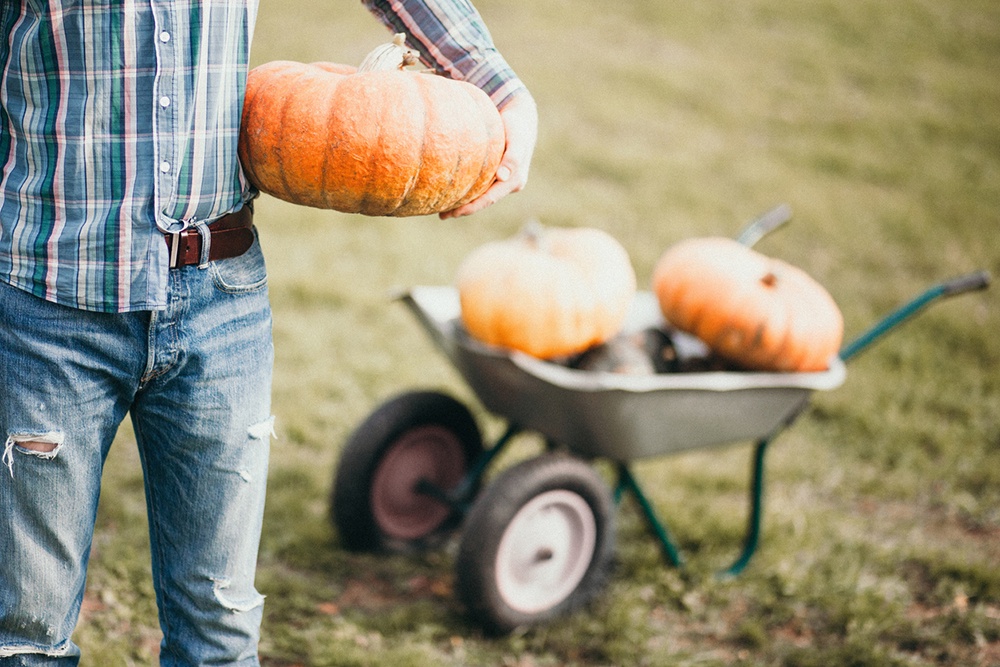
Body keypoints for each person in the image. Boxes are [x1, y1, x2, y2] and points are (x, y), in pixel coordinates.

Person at [0, 0, 537, 664]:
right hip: (48, 297)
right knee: (26, 633)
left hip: (218, 301)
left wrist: (501, 90)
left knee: (219, 633)